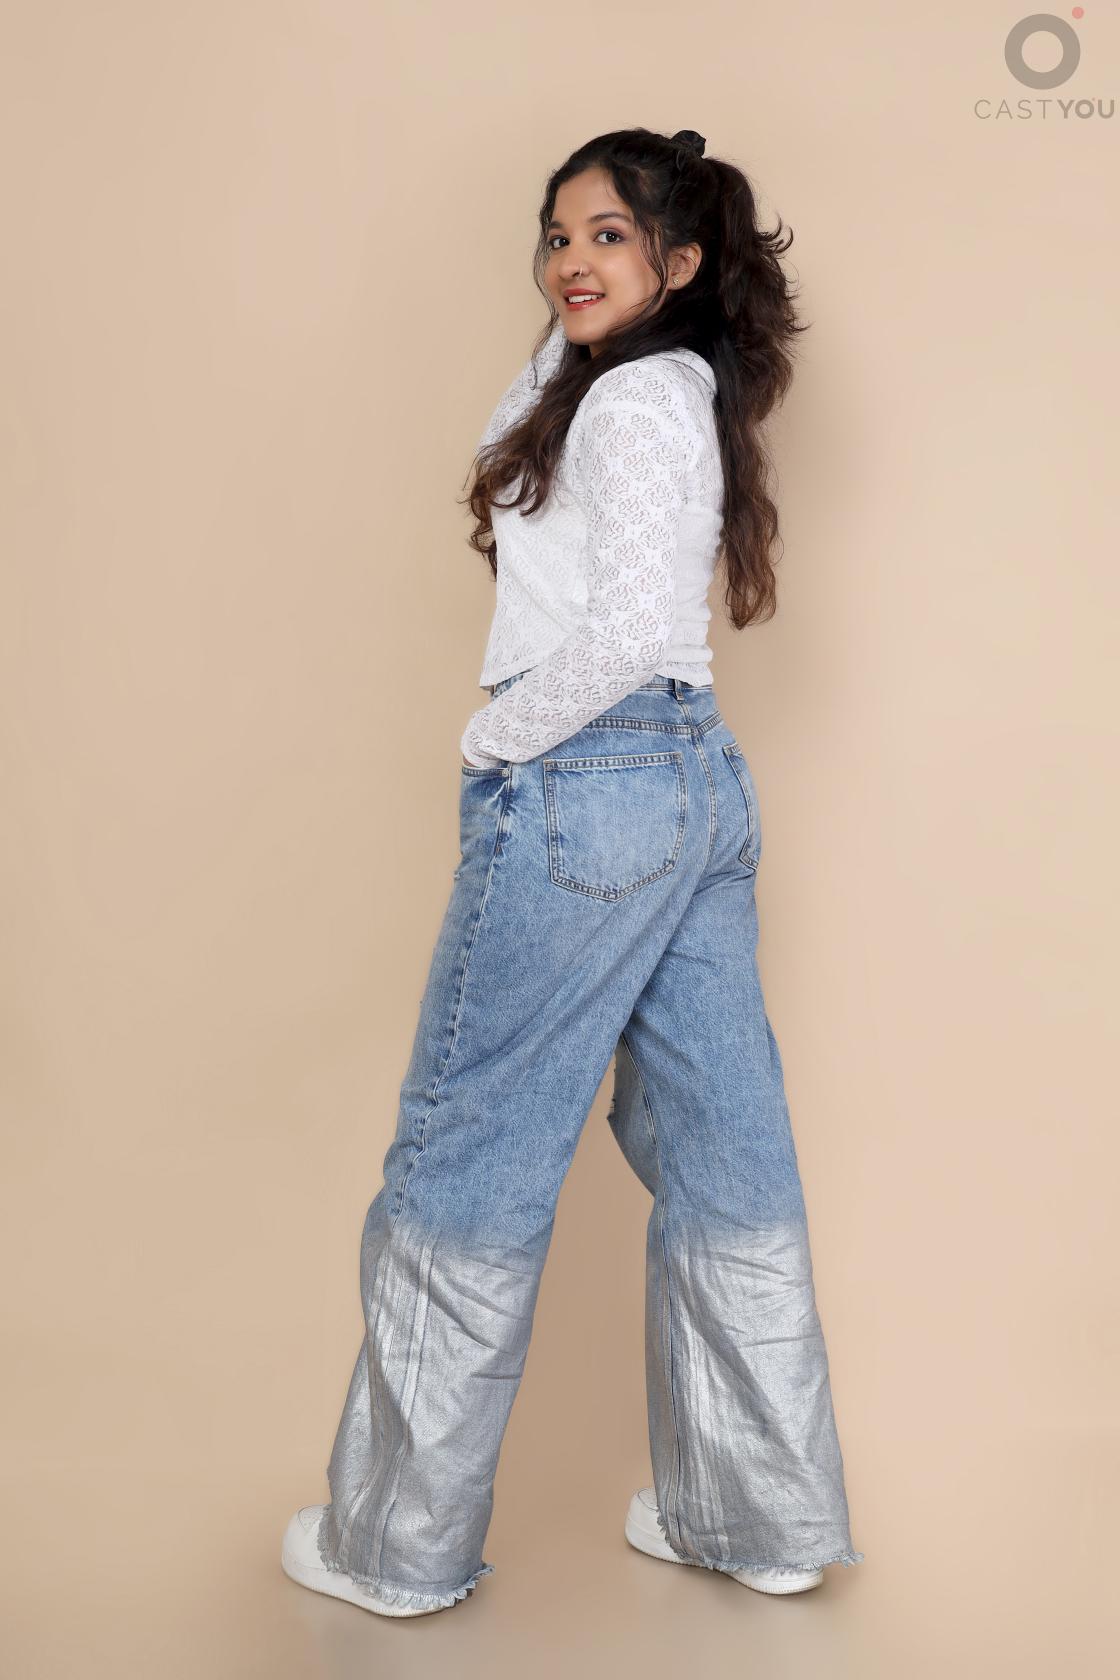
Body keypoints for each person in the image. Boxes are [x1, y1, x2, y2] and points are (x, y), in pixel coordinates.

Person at [281, 126, 864, 1618]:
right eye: (555, 237)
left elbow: (618, 639)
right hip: (693, 787)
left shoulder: (632, 408)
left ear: (682, 260)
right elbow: (528, 414)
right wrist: (602, 301)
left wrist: (494, 741)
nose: (568, 263)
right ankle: (758, 1517)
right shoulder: (650, 390)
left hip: (591, 784)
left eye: (608, 236)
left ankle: (394, 1547)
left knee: (468, 1151)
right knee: (726, 1152)